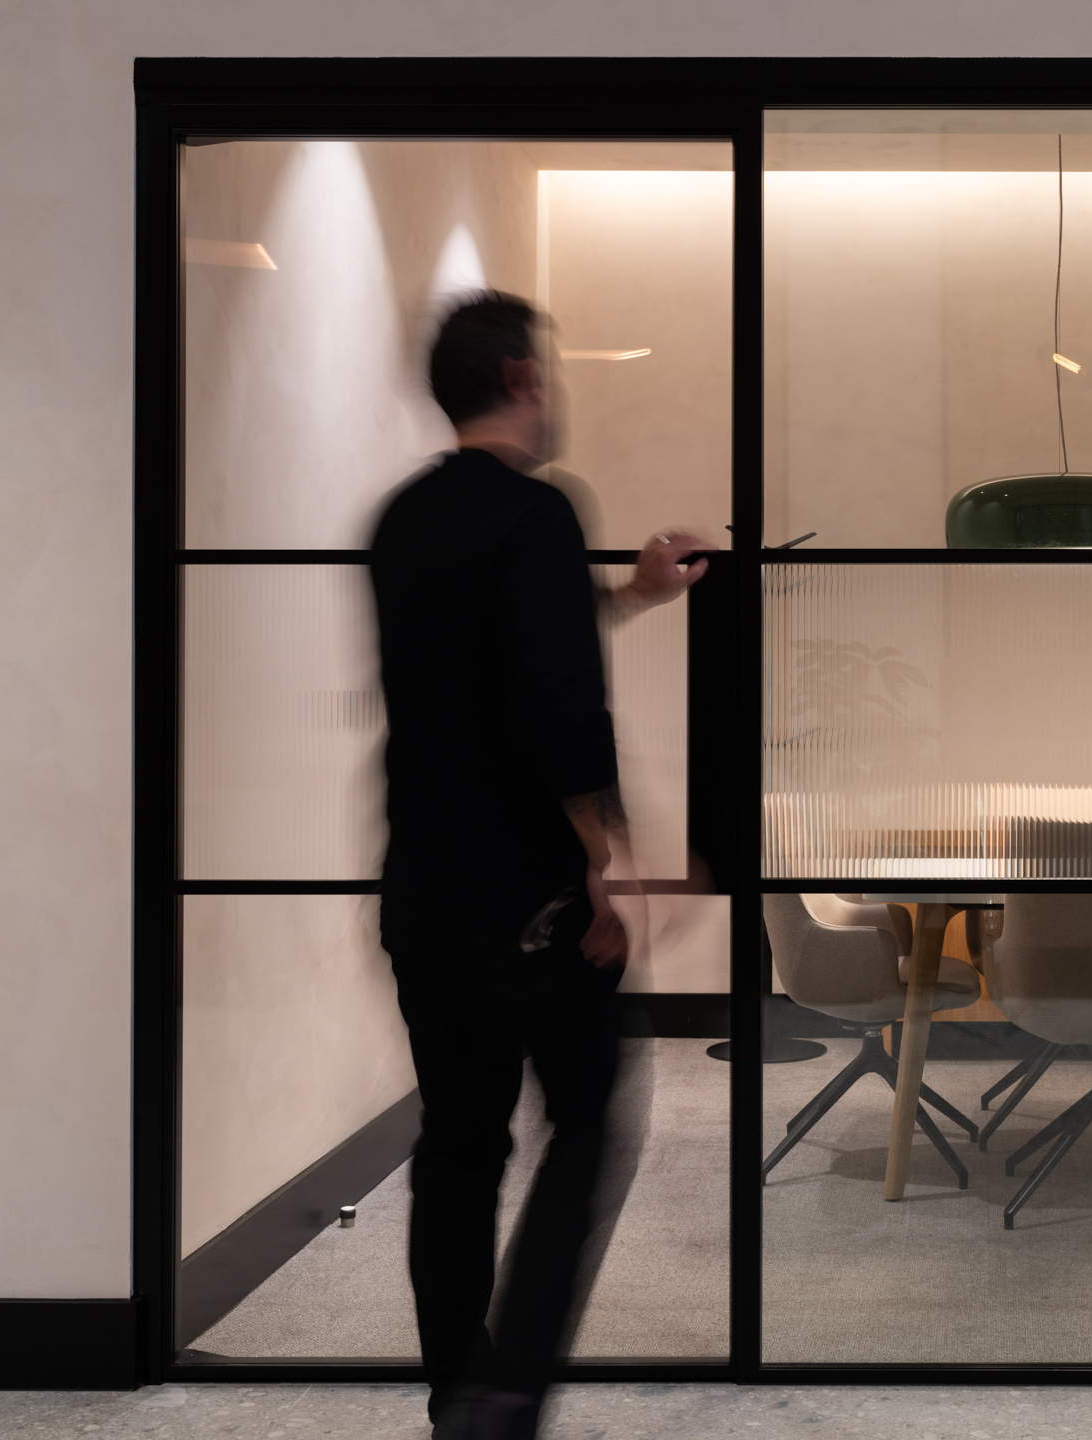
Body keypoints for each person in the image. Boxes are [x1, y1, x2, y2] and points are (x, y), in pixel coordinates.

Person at [369, 292, 712, 1440]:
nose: (555, 395)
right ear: (521, 375)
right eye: (550, 373)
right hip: (530, 900)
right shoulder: (538, 511)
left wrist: (638, 594)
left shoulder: (403, 520)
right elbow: (556, 704)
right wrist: (605, 861)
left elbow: (498, 650)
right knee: (585, 1124)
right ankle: (510, 1392)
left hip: (421, 891)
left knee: (457, 1143)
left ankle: (456, 1397)